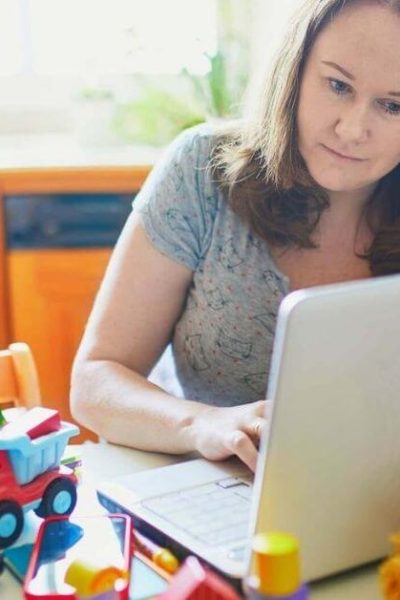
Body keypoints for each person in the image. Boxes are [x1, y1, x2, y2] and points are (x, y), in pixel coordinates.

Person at [71, 0, 400, 472]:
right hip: (213, 499)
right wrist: (200, 424)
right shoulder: (201, 171)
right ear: (294, 71)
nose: (351, 129)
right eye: (337, 85)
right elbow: (95, 381)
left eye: (392, 105)